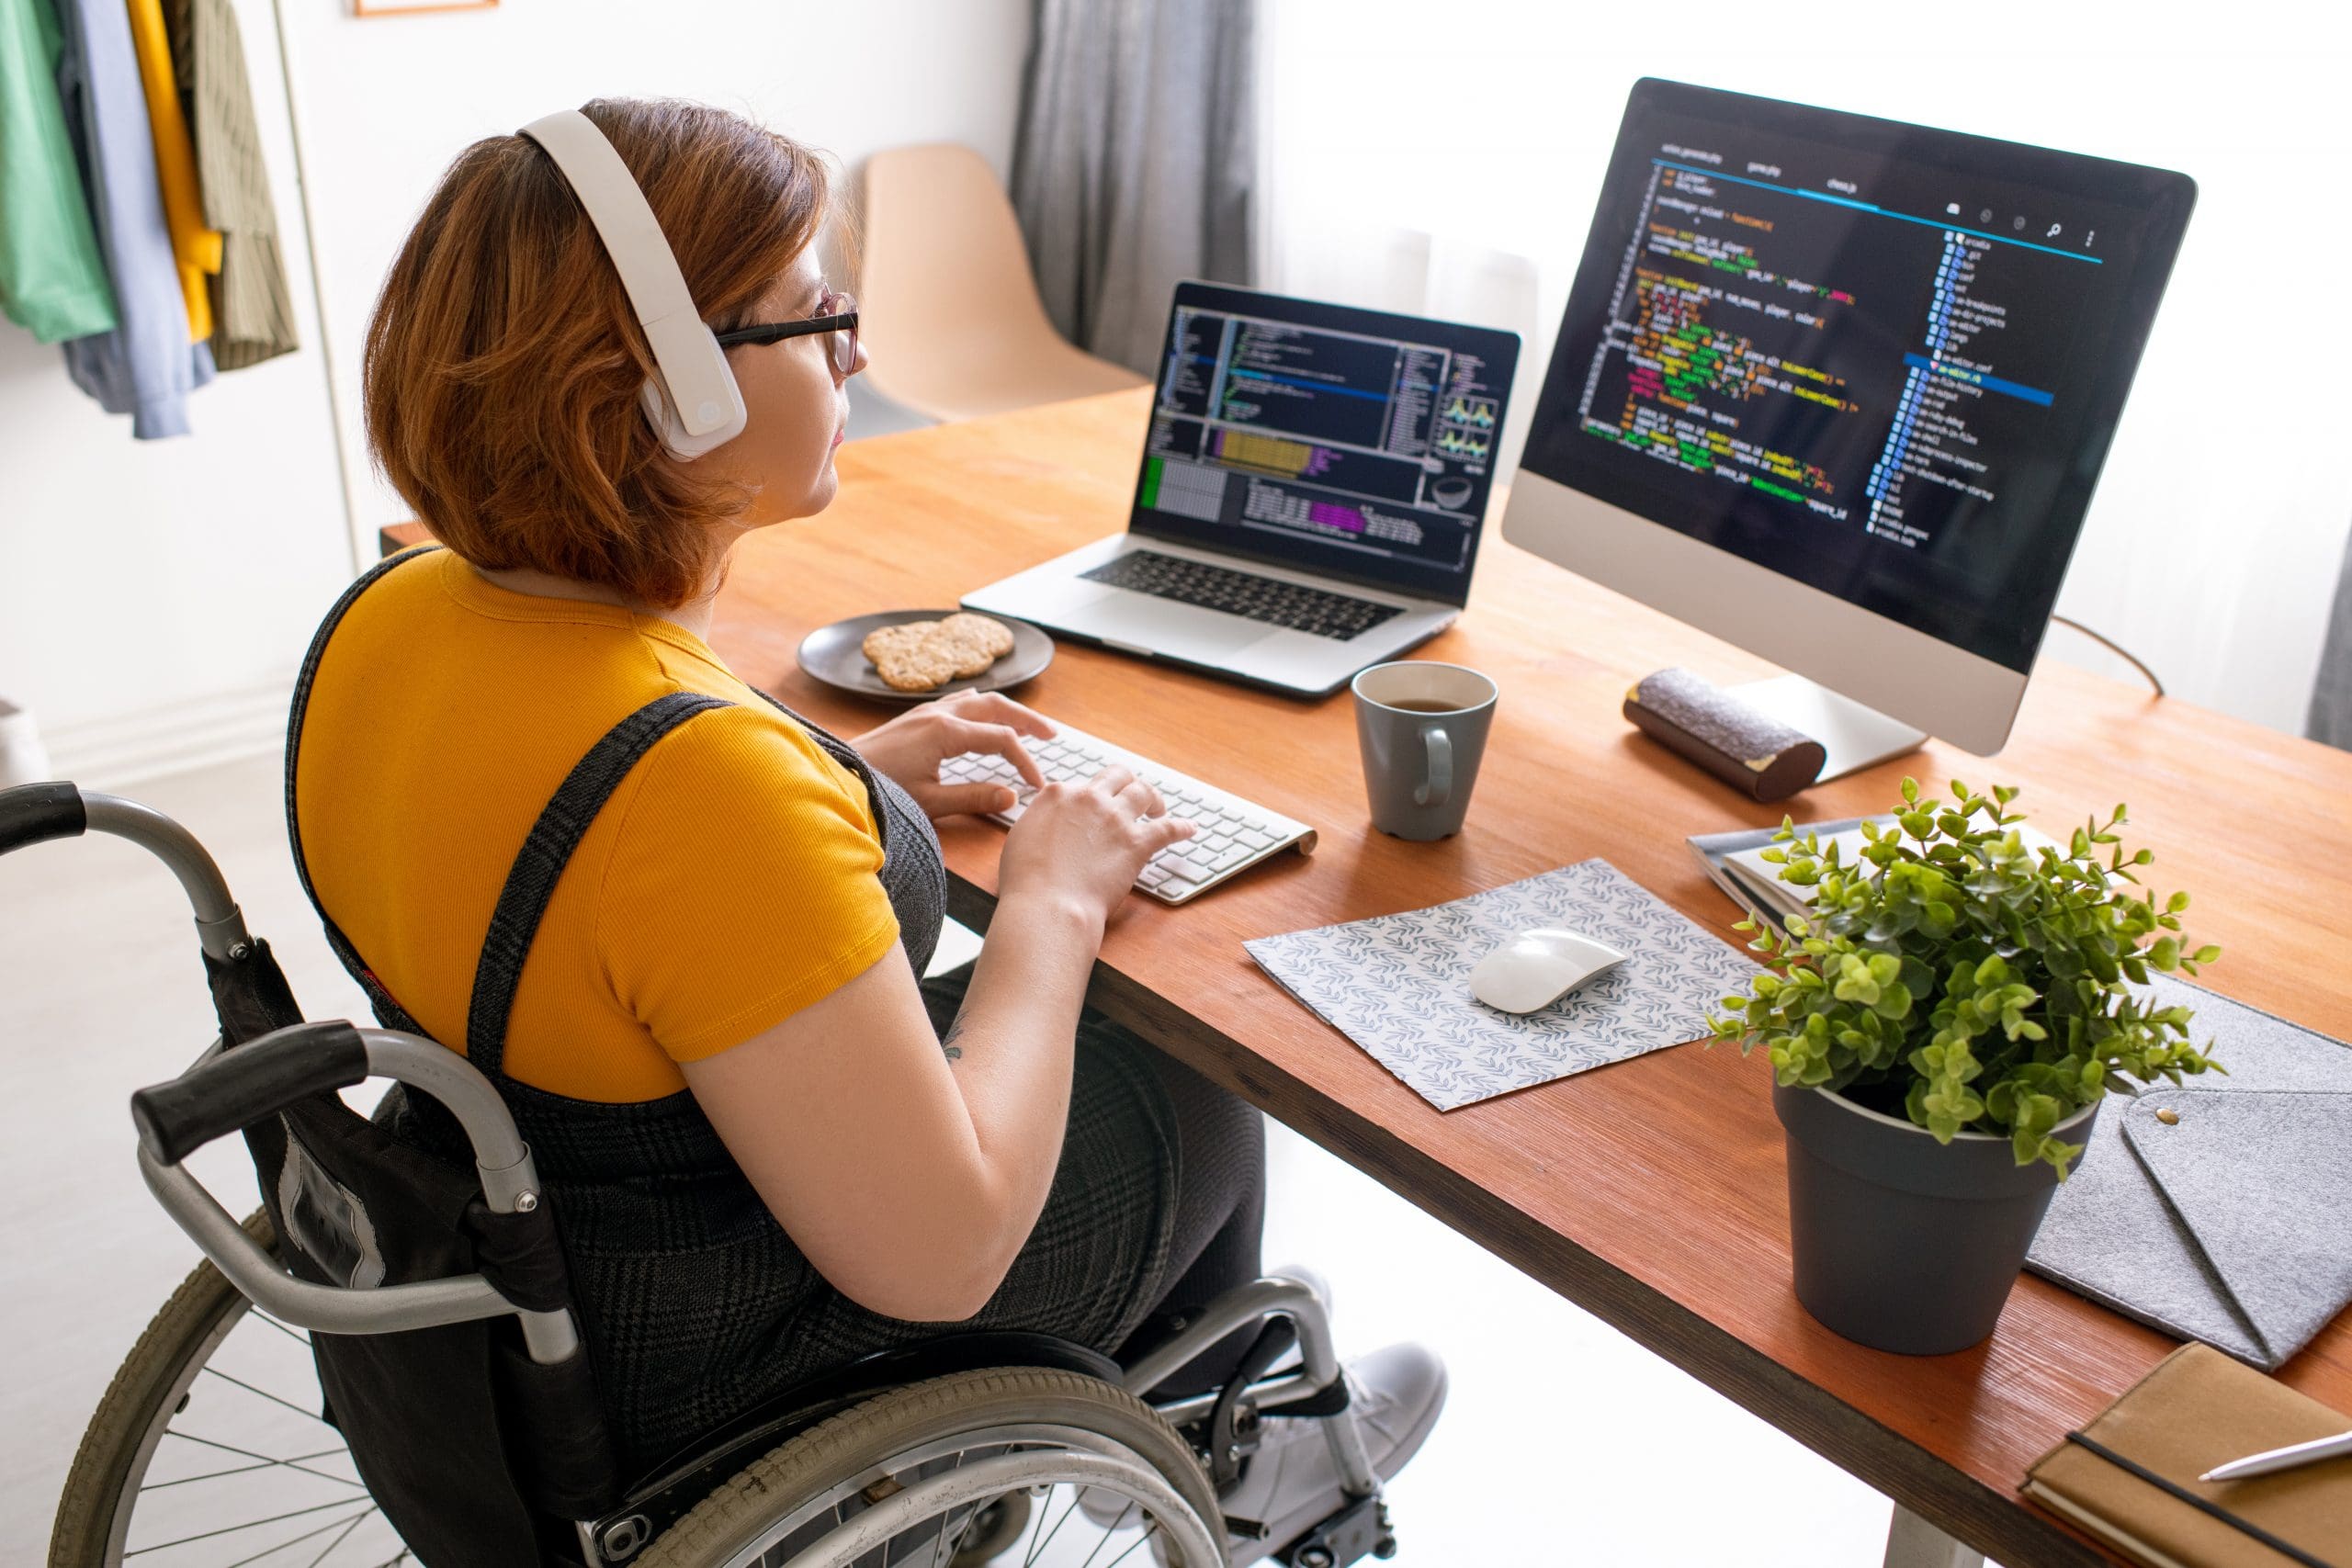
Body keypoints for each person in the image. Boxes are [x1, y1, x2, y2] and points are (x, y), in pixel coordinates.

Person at [288, 96, 1442, 1560]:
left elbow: (578, 866)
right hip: (701, 1360)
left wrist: (835, 776)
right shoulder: (701, 791)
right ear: (671, 389)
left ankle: (1238, 1434)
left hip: (518, 1247)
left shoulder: (396, 614)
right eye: (817, 318)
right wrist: (1055, 900)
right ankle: (1255, 1455)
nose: (859, 356)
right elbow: (943, 1258)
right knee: (1193, 1062)